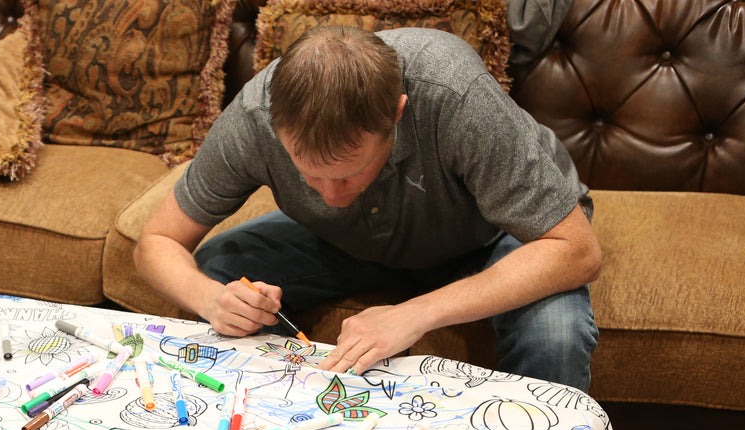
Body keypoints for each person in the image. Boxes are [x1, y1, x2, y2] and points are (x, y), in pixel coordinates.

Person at [134, 25, 601, 390]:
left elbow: (576, 251)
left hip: (491, 232)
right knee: (219, 270)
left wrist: (416, 312)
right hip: (350, 241)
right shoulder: (252, 117)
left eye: (350, 174)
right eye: (309, 177)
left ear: (397, 114)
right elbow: (157, 242)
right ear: (275, 129)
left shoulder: (455, 94)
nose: (331, 196)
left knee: (556, 334)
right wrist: (211, 301)